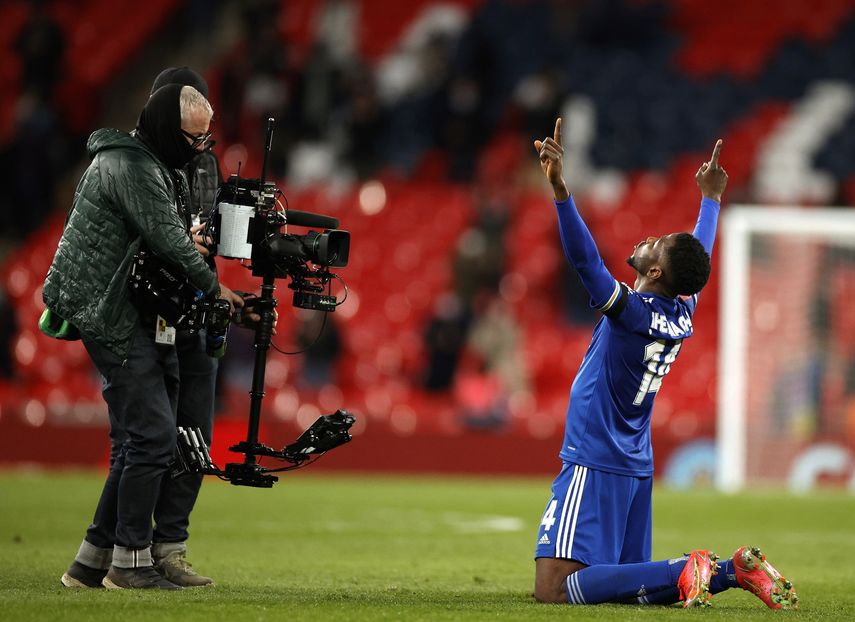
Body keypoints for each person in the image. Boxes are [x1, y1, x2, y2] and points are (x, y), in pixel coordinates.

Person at [531, 118, 798, 609]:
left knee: (554, 589)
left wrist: (561, 191)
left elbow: (586, 263)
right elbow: (698, 255)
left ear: (654, 270)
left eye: (655, 244)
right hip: (636, 459)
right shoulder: (682, 310)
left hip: (596, 454)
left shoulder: (630, 312)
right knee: (630, 592)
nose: (648, 238)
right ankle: (729, 571)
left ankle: (684, 567)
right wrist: (710, 200)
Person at [44, 84, 244, 590]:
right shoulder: (131, 165)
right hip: (110, 312)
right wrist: (216, 288)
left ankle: (91, 562)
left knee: (141, 440)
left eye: (204, 138)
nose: (200, 148)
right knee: (154, 436)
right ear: (165, 128)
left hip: (126, 310)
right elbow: (168, 241)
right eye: (192, 138)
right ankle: (130, 564)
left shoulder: (146, 162)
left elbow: (166, 237)